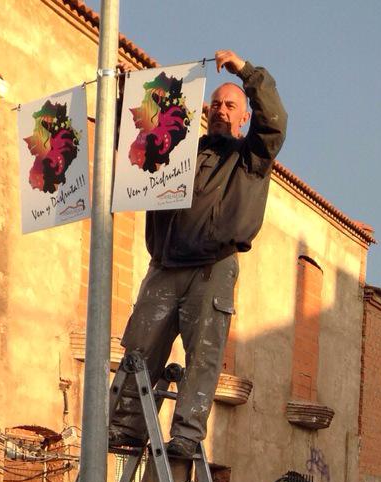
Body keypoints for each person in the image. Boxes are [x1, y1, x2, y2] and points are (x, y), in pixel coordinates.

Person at [109, 48, 287, 458]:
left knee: (202, 356)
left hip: (211, 268)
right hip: (165, 266)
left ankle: (187, 434)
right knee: (140, 348)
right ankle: (127, 427)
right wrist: (126, 97)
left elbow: (274, 119)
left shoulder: (251, 157)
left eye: (231, 105)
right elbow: (135, 144)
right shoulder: (176, 152)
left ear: (245, 116)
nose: (222, 111)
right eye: (215, 105)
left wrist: (247, 71)